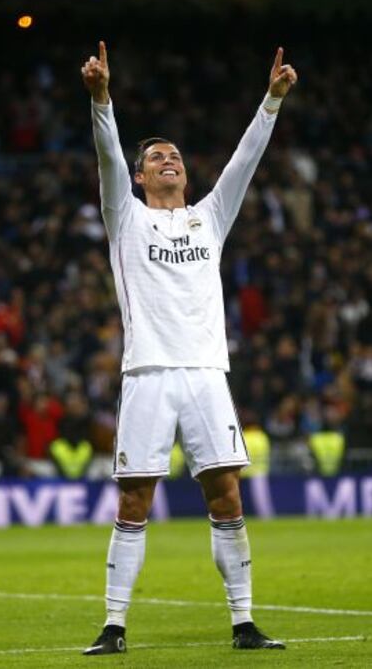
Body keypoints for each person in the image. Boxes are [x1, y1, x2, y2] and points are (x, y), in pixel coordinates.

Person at [81, 41, 297, 656]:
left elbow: (244, 162)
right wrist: (101, 98)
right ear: (141, 175)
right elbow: (105, 157)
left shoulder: (211, 216)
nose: (168, 159)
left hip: (205, 372)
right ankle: (114, 626)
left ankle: (244, 621)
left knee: (225, 494)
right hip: (148, 372)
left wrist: (272, 101)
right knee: (134, 499)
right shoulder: (124, 214)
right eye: (155, 156)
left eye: (174, 154)